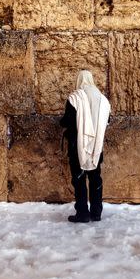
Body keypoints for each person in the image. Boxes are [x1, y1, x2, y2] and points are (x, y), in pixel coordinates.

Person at [59, 70, 111, 223]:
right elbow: (107, 121)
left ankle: (82, 213)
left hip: (77, 146)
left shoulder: (75, 98)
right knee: (95, 178)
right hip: (96, 146)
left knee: (79, 179)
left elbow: (67, 120)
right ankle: (96, 213)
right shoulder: (103, 100)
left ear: (79, 80)